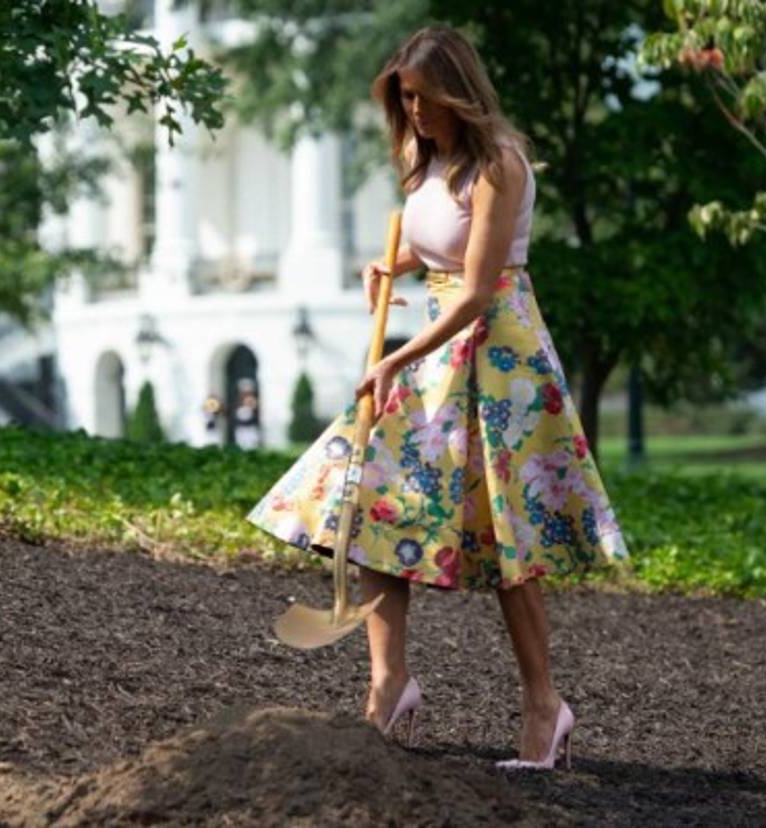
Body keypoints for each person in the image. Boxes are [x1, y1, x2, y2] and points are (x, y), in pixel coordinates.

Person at [246, 25, 628, 771]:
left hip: (497, 358)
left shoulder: (499, 165)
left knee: (506, 542)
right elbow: (432, 249)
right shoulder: (427, 161)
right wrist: (383, 263)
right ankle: (389, 689)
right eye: (404, 99)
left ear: (457, 91)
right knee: (375, 511)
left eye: (421, 97)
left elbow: (479, 288)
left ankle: (545, 708)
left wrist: (395, 358)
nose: (413, 111)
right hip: (439, 350)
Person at [232, 380, 262, 450]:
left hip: (251, 428)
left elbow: (256, 413)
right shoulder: (238, 401)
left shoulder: (253, 400)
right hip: (241, 429)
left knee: (252, 447)